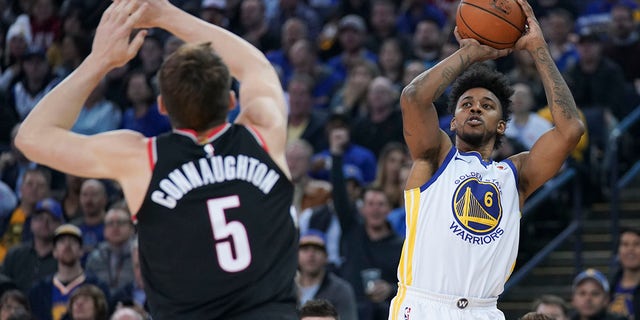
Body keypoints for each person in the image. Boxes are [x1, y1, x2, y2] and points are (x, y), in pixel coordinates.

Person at [15, 0, 297, 319]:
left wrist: (99, 61)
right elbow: (255, 65)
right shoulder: (263, 133)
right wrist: (165, 13)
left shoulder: (142, 160)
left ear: (162, 106)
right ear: (231, 100)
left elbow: (32, 137)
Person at [387, 0, 585, 318]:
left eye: (487, 105)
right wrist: (470, 53)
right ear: (452, 121)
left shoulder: (515, 175)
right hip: (425, 305)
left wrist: (538, 49)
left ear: (502, 124)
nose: (476, 108)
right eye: (466, 103)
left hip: (484, 310)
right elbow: (413, 98)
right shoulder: (434, 158)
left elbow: (571, 130)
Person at [296, 230, 358, 320]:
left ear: (326, 256)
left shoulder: (340, 290)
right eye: (305, 249)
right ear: (297, 255)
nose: (311, 254)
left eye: (317, 249)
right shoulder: (287, 290)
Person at [609, 227, 640, 318]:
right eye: (625, 245)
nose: (630, 249)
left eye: (637, 244)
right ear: (618, 251)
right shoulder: (607, 288)